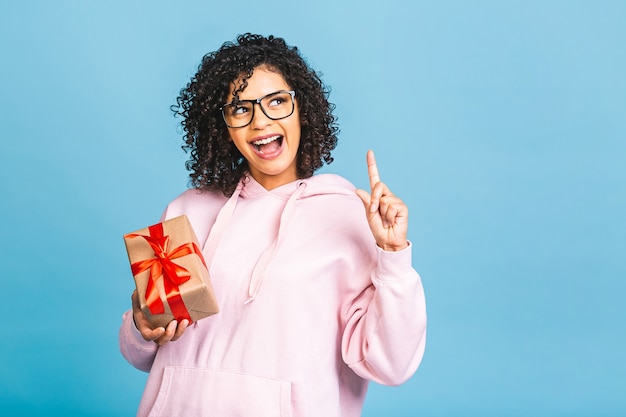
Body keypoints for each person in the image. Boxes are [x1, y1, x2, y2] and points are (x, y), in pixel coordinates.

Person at [119, 33, 426, 417]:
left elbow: (391, 364)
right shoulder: (186, 210)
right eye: (240, 108)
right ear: (223, 125)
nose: (260, 121)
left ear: (303, 110)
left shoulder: (348, 216)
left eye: (277, 102)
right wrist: (141, 325)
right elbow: (139, 354)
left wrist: (393, 256)